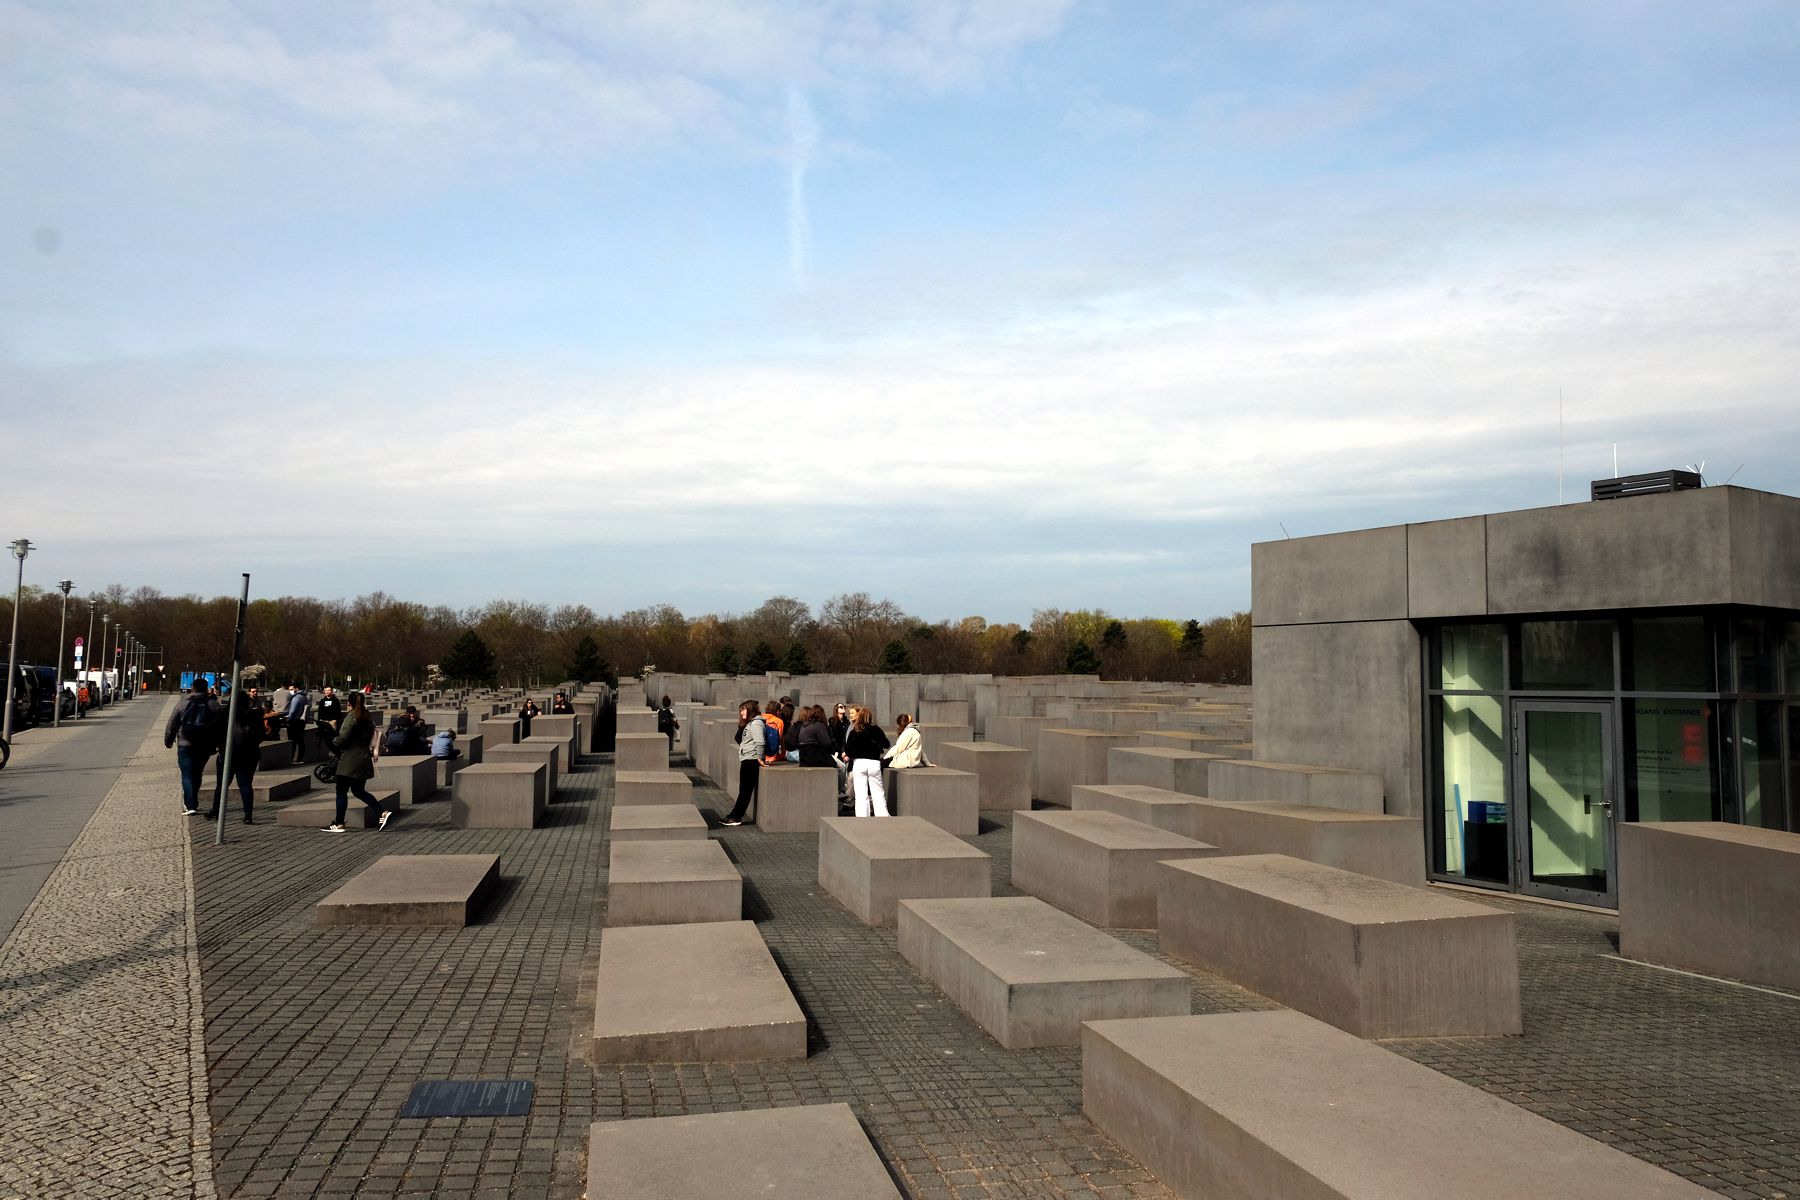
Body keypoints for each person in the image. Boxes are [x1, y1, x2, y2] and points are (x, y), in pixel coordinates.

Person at [325, 692, 393, 833]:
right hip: (363, 759)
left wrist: (333, 739)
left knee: (341, 791)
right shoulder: (367, 717)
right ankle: (382, 812)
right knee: (358, 791)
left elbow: (342, 738)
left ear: (349, 703)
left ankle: (339, 823)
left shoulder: (351, 717)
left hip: (350, 760)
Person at [164, 678, 224, 815]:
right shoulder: (213, 705)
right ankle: (192, 800)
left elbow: (172, 723)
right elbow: (220, 726)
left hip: (185, 744)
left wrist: (168, 740)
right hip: (205, 745)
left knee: (187, 774)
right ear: (206, 689)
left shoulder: (183, 704)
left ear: (192, 688)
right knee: (197, 773)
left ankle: (191, 804)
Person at [207, 688, 265, 824]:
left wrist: (215, 747)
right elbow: (261, 735)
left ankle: (216, 810)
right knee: (245, 784)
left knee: (222, 784)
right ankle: (248, 814)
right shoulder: (254, 715)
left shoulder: (225, 716)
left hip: (228, 754)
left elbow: (213, 732)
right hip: (249, 754)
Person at [722, 701, 765, 827]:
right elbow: (738, 738)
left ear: (750, 710)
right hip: (747, 759)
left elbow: (760, 742)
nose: (741, 712)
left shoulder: (756, 723)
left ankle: (736, 817)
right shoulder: (748, 723)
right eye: (740, 710)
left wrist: (760, 758)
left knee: (745, 791)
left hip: (752, 760)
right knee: (743, 790)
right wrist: (742, 723)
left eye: (743, 710)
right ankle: (734, 814)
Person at [843, 706, 891, 818]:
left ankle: (862, 817)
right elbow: (887, 744)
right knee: (878, 792)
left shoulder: (854, 731)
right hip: (874, 763)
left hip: (859, 763)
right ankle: (882, 816)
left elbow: (848, 750)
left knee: (860, 794)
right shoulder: (876, 729)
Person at [827, 703, 851, 800]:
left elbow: (846, 739)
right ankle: (839, 790)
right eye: (841, 707)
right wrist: (839, 751)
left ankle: (843, 790)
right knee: (840, 768)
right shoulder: (832, 722)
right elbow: (833, 739)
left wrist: (844, 751)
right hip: (835, 750)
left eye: (844, 707)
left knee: (846, 770)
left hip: (844, 750)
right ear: (836, 709)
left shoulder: (847, 722)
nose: (843, 708)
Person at [284, 683, 311, 764]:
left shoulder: (296, 698)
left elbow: (292, 711)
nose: (290, 691)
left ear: (296, 688)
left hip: (294, 721)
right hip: (301, 721)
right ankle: (300, 757)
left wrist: (288, 719)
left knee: (293, 741)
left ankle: (292, 758)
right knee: (300, 740)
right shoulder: (304, 697)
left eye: (292, 689)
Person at [759, 700, 786, 766]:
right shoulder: (779, 721)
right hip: (773, 756)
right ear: (777, 711)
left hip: (760, 756)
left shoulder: (760, 718)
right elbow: (778, 740)